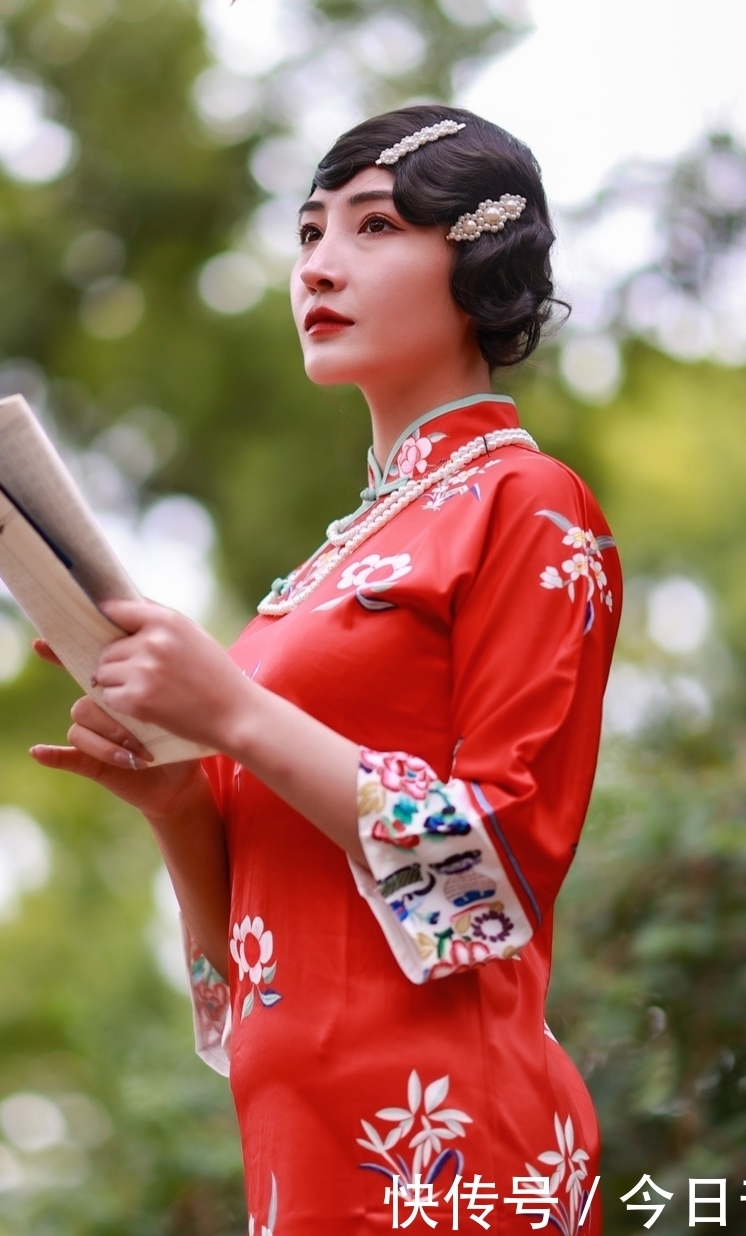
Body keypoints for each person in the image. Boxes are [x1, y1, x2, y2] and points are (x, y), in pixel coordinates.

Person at [31, 104, 621, 1236]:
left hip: (454, 1143)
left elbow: (487, 873)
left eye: (374, 225)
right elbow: (248, 967)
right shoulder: (328, 562)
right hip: (302, 1152)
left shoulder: (530, 505)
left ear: (480, 256)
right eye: (307, 233)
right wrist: (174, 802)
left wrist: (238, 712)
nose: (320, 264)